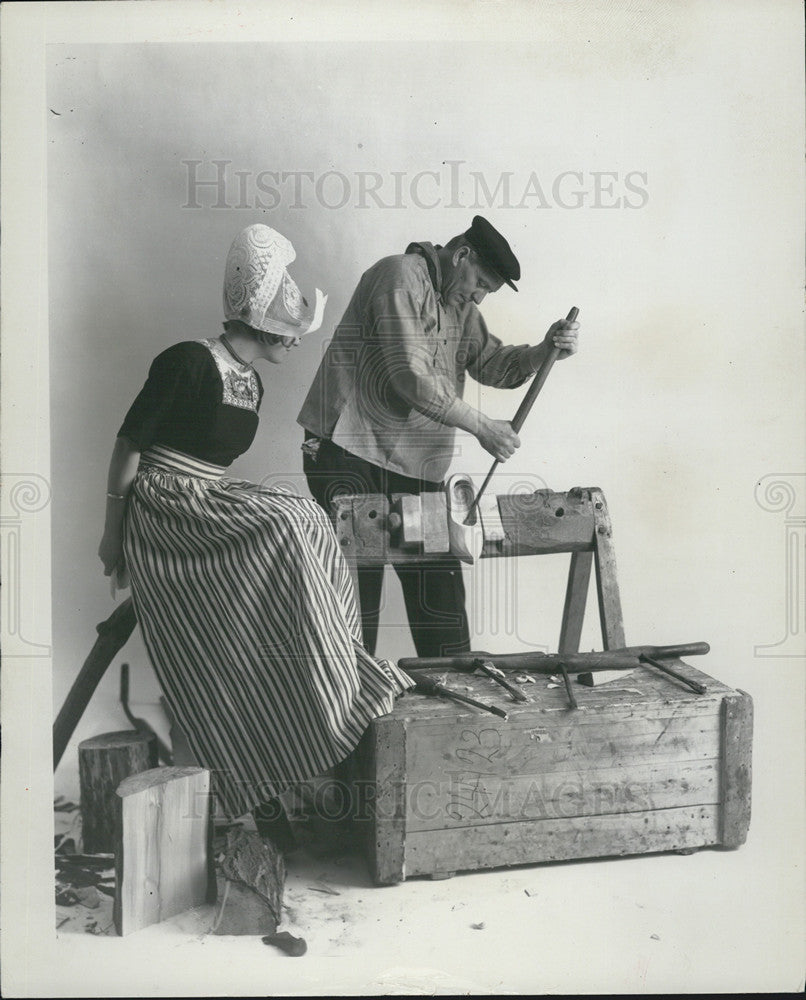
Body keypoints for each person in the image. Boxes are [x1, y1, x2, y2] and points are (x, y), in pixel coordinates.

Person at [97, 223, 412, 843]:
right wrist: (113, 536)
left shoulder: (254, 382)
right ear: (266, 326)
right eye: (291, 331)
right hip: (166, 511)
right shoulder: (186, 360)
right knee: (291, 521)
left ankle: (333, 681)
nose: (295, 343)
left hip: (208, 504)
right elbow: (128, 447)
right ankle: (317, 700)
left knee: (312, 519)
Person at [298, 215, 580, 659]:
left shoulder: (461, 306)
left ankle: (454, 719)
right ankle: (349, 720)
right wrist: (484, 428)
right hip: (349, 455)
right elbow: (410, 377)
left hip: (414, 468)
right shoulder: (399, 275)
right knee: (355, 610)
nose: (480, 295)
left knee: (441, 605)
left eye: (488, 290)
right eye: (481, 282)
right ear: (461, 255)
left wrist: (544, 351)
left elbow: (492, 364)